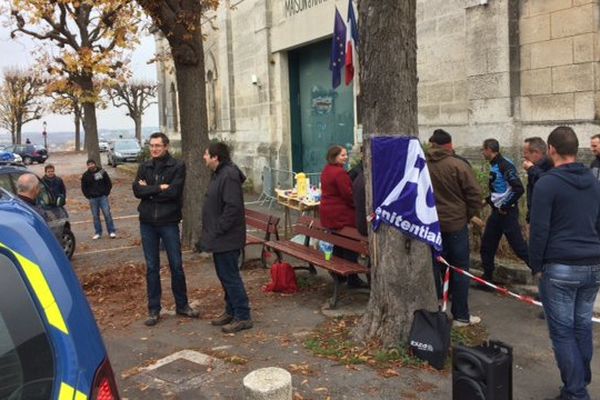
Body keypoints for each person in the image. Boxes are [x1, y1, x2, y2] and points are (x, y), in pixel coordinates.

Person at [529, 126, 600, 400]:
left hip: (560, 266)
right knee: (581, 325)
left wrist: (536, 265)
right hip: (592, 264)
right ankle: (579, 380)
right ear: (577, 149)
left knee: (562, 332)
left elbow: (539, 230)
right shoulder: (593, 181)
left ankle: (576, 391)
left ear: (551, 150)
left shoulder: (547, 183)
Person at [132, 132, 199, 327]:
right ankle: (154, 309)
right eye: (152, 145)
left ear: (166, 146)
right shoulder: (144, 166)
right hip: (147, 223)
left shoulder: (177, 166)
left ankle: (182, 305)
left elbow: (173, 193)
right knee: (152, 267)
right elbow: (137, 191)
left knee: (176, 265)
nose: (154, 149)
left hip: (169, 221)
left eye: (158, 146)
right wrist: (159, 187)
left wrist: (150, 190)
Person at [427, 129, 482, 327]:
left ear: (432, 144)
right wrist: (467, 215)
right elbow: (475, 195)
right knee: (460, 270)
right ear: (450, 145)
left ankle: (436, 311)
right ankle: (460, 315)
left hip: (432, 227)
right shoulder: (458, 165)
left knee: (437, 268)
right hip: (456, 225)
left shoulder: (423, 166)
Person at [200, 141, 252, 333]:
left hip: (227, 237)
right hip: (220, 237)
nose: (204, 157)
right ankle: (231, 311)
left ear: (215, 157)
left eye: (206, 154)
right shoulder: (219, 174)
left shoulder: (228, 175)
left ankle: (243, 315)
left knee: (231, 277)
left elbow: (232, 208)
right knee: (225, 276)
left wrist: (218, 228)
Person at [480, 139, 529, 283]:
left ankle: (542, 274)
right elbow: (500, 190)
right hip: (497, 213)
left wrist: (505, 206)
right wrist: (488, 200)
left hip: (507, 213)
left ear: (489, 149)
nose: (482, 153)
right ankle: (487, 278)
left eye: (483, 150)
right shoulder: (495, 164)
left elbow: (518, 189)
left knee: (519, 248)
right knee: (487, 246)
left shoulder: (504, 165)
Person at [320, 145, 368, 288]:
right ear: (334, 157)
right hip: (340, 214)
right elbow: (348, 195)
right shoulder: (340, 173)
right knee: (350, 243)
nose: (346, 157)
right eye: (342, 155)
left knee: (338, 243)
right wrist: (358, 206)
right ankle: (352, 278)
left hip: (328, 213)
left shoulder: (327, 170)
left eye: (346, 154)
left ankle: (340, 276)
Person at [81, 159, 116, 239]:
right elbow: (83, 187)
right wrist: (88, 195)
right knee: (95, 216)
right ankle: (98, 232)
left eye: (92, 164)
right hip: (93, 199)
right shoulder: (85, 175)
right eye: (89, 164)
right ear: (87, 166)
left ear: (95, 164)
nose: (91, 166)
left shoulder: (102, 172)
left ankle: (111, 231)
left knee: (107, 214)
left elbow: (108, 183)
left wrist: (106, 193)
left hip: (103, 197)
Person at [522, 137, 552, 223]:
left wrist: (531, 169)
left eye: (525, 153)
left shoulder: (550, 165)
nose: (524, 156)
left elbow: (546, 183)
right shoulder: (535, 168)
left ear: (536, 153)